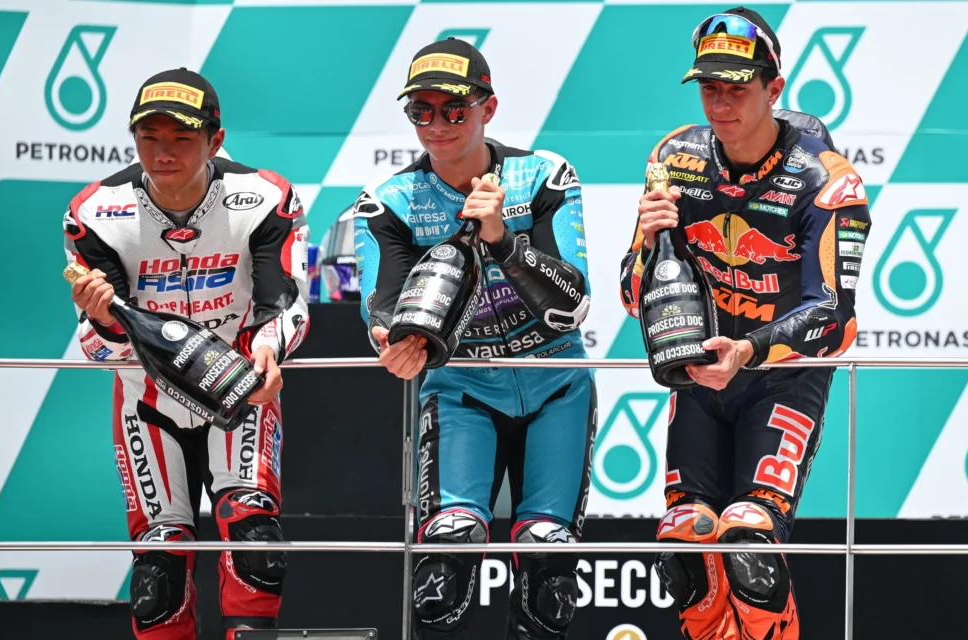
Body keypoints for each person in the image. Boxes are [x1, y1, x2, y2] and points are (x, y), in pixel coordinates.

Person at [619, 7, 872, 639]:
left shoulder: (827, 180)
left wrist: (747, 350)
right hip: (701, 379)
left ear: (774, 89)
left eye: (738, 88)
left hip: (783, 377)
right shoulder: (673, 159)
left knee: (749, 544)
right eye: (710, 87)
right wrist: (648, 245)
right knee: (686, 544)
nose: (721, 103)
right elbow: (633, 299)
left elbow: (837, 321)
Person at [354, 38, 596, 640]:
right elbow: (383, 305)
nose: (437, 125)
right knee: (443, 574)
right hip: (462, 385)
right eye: (421, 111)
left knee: (550, 581)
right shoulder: (388, 204)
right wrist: (393, 340)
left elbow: (573, 302)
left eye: (454, 109)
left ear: (489, 107)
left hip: (555, 379)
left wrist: (500, 238)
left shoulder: (543, 174)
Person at [64, 68, 310, 639]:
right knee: (158, 575)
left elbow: (286, 300)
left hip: (241, 389)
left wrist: (271, 348)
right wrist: (105, 320)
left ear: (215, 140)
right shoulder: (95, 211)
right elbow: (98, 351)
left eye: (180, 138)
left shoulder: (264, 197)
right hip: (146, 405)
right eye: (149, 137)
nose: (163, 152)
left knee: (256, 548)